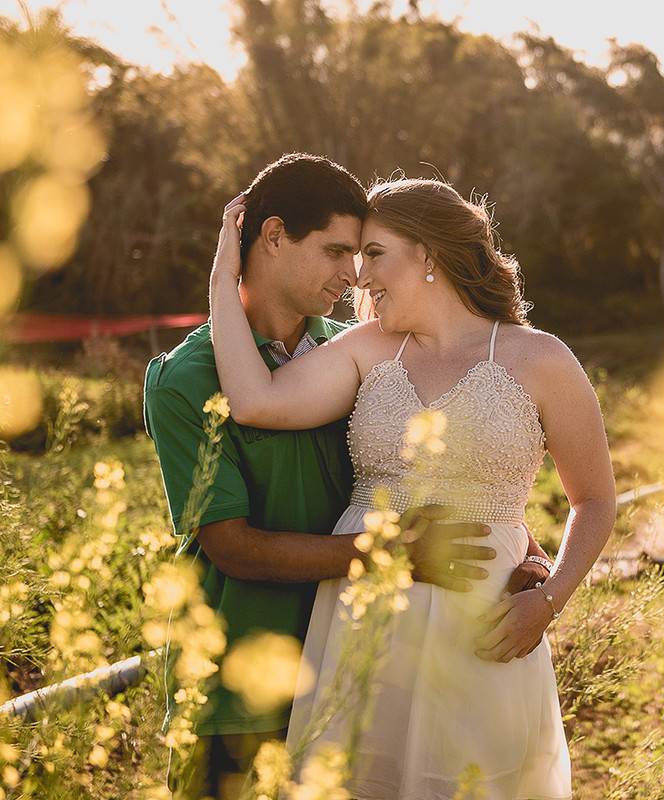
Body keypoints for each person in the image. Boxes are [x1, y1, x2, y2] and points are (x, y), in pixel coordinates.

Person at [144, 153, 552, 800]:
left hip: (356, 669)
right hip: (237, 689)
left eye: (362, 254)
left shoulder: (363, 351)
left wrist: (519, 550)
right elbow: (231, 545)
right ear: (272, 237)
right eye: (337, 251)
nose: (353, 272)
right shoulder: (182, 380)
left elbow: (429, 466)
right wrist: (391, 556)